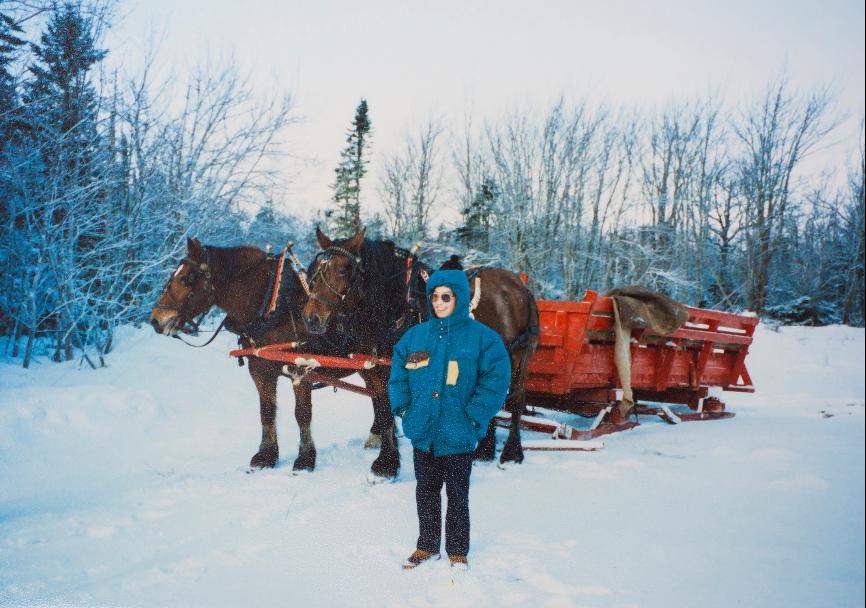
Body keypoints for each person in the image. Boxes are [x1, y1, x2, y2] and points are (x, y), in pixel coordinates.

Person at [388, 262, 511, 571]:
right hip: (424, 432)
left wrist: (473, 418)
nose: (440, 303)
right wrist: (404, 410)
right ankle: (426, 546)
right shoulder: (414, 338)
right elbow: (398, 378)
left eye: (447, 297)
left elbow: (495, 382)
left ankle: (457, 549)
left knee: (457, 496)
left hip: (458, 434)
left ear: (459, 298)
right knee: (425, 493)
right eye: (435, 297)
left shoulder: (484, 340)